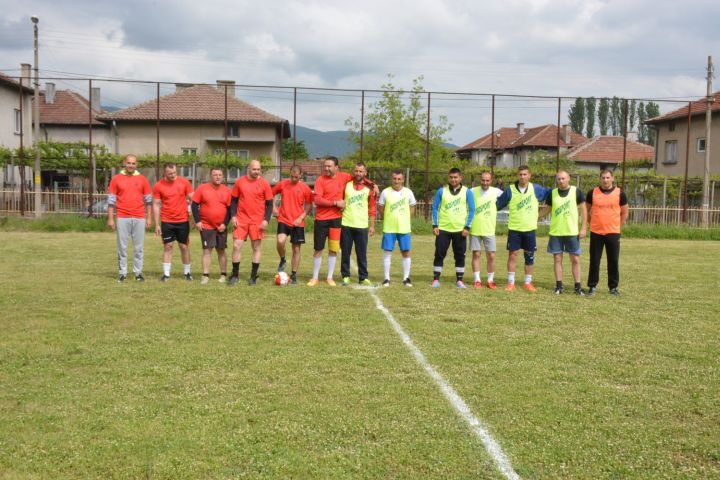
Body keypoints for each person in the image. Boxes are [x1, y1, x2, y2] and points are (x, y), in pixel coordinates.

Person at [307, 156, 376, 287]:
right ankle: (315, 277)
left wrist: (373, 184)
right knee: (318, 249)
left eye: (329, 166)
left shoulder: (343, 177)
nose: (326, 168)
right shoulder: (320, 180)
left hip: (336, 220)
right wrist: (335, 203)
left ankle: (330, 277)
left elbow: (360, 178)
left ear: (336, 168)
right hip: (321, 220)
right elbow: (317, 200)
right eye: (325, 166)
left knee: (334, 249)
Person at [496, 165, 550, 292]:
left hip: (530, 229)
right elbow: (497, 205)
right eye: (520, 174)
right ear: (517, 175)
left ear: (529, 175)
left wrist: (541, 214)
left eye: (525, 174)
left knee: (529, 256)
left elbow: (551, 195)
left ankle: (528, 282)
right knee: (513, 255)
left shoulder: (535, 188)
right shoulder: (510, 190)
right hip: (514, 228)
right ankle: (510, 282)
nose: (522, 177)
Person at [541, 170, 587, 295]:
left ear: (569, 179)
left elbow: (584, 211)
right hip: (556, 232)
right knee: (557, 259)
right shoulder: (553, 193)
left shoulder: (576, 191)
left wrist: (583, 228)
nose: (561, 181)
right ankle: (559, 286)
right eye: (559, 179)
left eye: (563, 178)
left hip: (572, 231)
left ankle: (577, 287)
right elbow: (547, 210)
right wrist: (534, 216)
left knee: (575, 260)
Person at [107, 154, 152, 282]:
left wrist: (149, 218)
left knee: (139, 248)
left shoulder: (143, 179)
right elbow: (111, 201)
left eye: (133, 163)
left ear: (136, 165)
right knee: (122, 247)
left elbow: (148, 200)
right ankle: (123, 273)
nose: (131, 165)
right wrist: (110, 218)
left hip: (139, 217)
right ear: (124, 163)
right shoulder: (116, 179)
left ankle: (138, 273)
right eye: (129, 163)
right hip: (122, 217)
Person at [229, 159, 274, 286]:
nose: (256, 171)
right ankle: (235, 275)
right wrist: (233, 216)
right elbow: (233, 201)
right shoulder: (240, 182)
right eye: (254, 169)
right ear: (248, 168)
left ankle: (253, 277)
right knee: (236, 246)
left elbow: (269, 204)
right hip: (241, 220)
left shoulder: (264, 184)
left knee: (256, 248)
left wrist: (266, 220)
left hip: (257, 221)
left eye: (258, 169)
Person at [586, 169, 629, 296]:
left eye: (607, 178)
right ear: (600, 179)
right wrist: (591, 223)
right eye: (603, 178)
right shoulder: (592, 193)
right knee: (594, 260)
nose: (605, 180)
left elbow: (625, 212)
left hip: (613, 233)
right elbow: (586, 210)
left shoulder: (620, 193)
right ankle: (592, 286)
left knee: (613, 260)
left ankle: (613, 287)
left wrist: (617, 226)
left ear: (612, 178)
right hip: (596, 232)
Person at [431, 167, 475, 288]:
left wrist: (467, 227)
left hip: (460, 230)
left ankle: (459, 280)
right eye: (451, 177)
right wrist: (435, 225)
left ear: (460, 178)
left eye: (456, 177)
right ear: (448, 178)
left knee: (460, 255)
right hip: (443, 229)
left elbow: (472, 210)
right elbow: (434, 208)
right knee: (439, 253)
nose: (453, 179)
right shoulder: (441, 191)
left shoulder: (467, 192)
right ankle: (436, 279)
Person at [152, 163, 194, 281]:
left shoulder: (184, 182)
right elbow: (155, 205)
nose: (173, 175)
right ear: (164, 173)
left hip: (182, 221)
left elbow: (193, 199)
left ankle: (187, 273)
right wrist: (157, 224)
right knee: (168, 246)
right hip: (167, 221)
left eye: (175, 172)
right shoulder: (158, 185)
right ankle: (166, 274)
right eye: (170, 173)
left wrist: (195, 216)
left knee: (184, 247)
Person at [272, 165, 313, 284]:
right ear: (289, 174)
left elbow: (309, 205)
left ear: (300, 175)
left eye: (296, 176)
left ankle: (294, 275)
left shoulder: (305, 188)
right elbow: (270, 195)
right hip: (283, 219)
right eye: (292, 176)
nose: (294, 178)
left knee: (296, 249)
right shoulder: (283, 184)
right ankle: (283, 259)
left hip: (297, 223)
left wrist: (301, 218)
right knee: (280, 241)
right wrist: (275, 208)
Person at [191, 167, 232, 285]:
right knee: (207, 250)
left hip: (221, 226)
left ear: (223, 177)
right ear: (210, 176)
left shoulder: (227, 191)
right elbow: (194, 205)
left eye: (220, 175)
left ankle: (223, 275)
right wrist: (198, 221)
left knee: (221, 250)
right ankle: (205, 275)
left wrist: (225, 224)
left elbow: (229, 210)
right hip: (206, 225)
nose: (218, 177)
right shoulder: (202, 188)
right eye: (215, 175)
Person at [340, 162, 377, 286]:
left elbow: (372, 208)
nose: (358, 173)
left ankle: (363, 277)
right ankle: (345, 276)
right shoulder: (347, 185)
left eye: (361, 171)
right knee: (345, 252)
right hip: (346, 224)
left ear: (365, 173)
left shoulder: (369, 189)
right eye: (356, 171)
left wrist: (372, 226)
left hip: (362, 226)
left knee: (361, 253)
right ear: (353, 171)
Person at [378, 169, 416, 287]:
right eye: (394, 178)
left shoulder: (408, 192)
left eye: (399, 179)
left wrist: (405, 218)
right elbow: (381, 208)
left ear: (403, 180)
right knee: (387, 252)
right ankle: (386, 278)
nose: (396, 181)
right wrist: (388, 217)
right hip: (389, 228)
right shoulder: (385, 192)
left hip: (404, 228)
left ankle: (406, 278)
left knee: (405, 252)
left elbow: (412, 207)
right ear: (392, 179)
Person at [469, 171, 503, 289]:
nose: (485, 182)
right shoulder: (472, 191)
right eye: (483, 180)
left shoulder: (497, 192)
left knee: (491, 256)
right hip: (475, 229)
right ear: (480, 179)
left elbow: (508, 199)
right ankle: (477, 280)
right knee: (476, 254)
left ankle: (490, 280)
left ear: (491, 181)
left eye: (487, 180)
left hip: (489, 229)